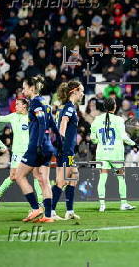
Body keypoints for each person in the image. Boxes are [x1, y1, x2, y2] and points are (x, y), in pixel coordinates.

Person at [15, 76, 57, 223]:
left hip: (36, 146)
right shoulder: (45, 104)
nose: (23, 90)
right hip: (47, 146)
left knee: (18, 176)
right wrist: (58, 139)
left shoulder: (35, 104)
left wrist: (38, 144)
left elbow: (42, 122)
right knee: (42, 180)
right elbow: (52, 122)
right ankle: (48, 215)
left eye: (25, 87)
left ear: (32, 88)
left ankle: (35, 208)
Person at [0, 94, 43, 207]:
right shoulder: (13, 116)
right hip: (17, 152)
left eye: (18, 104)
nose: (15, 106)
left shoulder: (31, 117)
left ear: (24, 106)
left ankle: (40, 201)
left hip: (30, 151)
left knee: (36, 174)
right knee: (13, 176)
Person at [90, 97, 136, 212]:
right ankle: (123, 204)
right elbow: (124, 136)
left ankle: (102, 205)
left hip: (102, 154)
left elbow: (93, 138)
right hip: (115, 154)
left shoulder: (97, 119)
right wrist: (133, 143)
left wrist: (98, 141)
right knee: (121, 178)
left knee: (102, 178)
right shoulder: (119, 119)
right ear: (114, 107)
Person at [51, 80, 84, 220]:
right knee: (61, 180)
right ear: (74, 91)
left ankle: (69, 211)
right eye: (81, 91)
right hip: (65, 148)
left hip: (67, 149)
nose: (82, 93)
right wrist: (62, 140)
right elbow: (63, 122)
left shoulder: (66, 106)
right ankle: (50, 210)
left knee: (73, 177)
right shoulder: (69, 107)